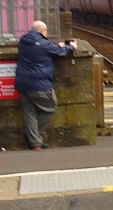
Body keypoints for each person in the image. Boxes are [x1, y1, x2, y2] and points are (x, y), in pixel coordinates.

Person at [14, 20, 77, 150]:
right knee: (50, 107)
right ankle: (32, 136)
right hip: (40, 85)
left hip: (22, 84)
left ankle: (35, 142)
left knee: (29, 112)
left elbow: (43, 47)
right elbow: (61, 52)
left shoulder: (23, 42)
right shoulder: (45, 44)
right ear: (43, 31)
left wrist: (56, 45)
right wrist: (71, 47)